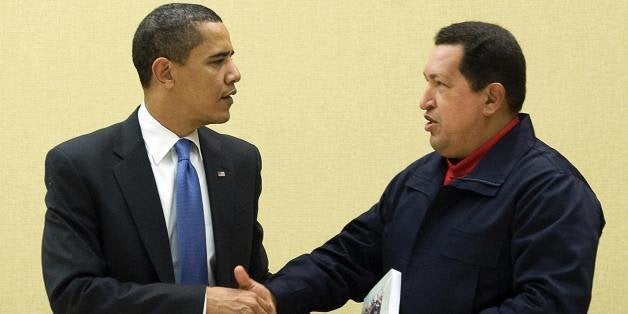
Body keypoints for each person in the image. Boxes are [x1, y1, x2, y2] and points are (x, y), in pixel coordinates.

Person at [242, 21, 606, 313]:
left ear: (491, 98)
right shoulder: (420, 178)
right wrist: (273, 297)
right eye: (426, 83)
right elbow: (348, 258)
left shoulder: (553, 190)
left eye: (441, 85)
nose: (424, 101)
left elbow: (548, 304)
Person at [42, 3, 273, 313]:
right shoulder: (80, 166)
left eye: (232, 58)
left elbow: (251, 281)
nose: (235, 74)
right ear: (165, 72)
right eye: (218, 61)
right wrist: (201, 303)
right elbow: (74, 295)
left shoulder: (240, 160)